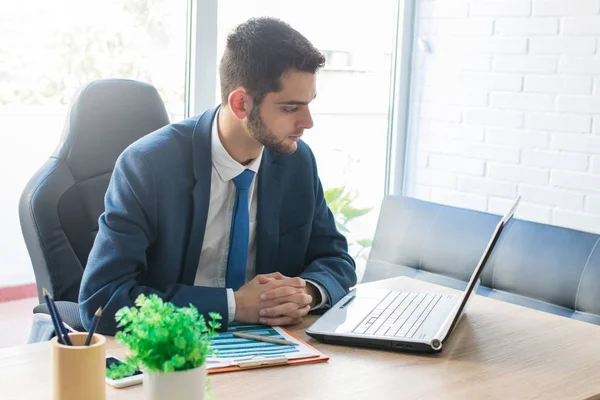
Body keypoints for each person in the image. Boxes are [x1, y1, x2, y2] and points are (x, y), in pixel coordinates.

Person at [79, 17, 357, 335]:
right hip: (175, 351)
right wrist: (235, 305)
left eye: (308, 104)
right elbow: (102, 300)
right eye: (291, 108)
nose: (307, 122)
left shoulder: (296, 161)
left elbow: (336, 258)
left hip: (270, 346)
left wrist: (305, 291)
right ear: (240, 103)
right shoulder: (147, 167)